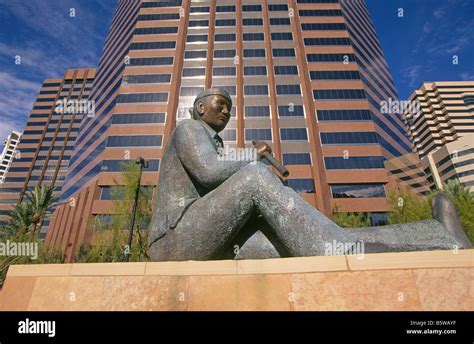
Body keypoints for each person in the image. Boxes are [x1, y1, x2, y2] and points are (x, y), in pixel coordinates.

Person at [148, 88, 469, 261]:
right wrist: (253, 156)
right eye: (221, 104)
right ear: (200, 107)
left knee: (303, 237)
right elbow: (209, 173)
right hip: (174, 241)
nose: (227, 112)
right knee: (255, 177)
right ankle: (342, 252)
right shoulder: (189, 128)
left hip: (214, 244)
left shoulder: (213, 140)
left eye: (230, 108)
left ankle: (441, 238)